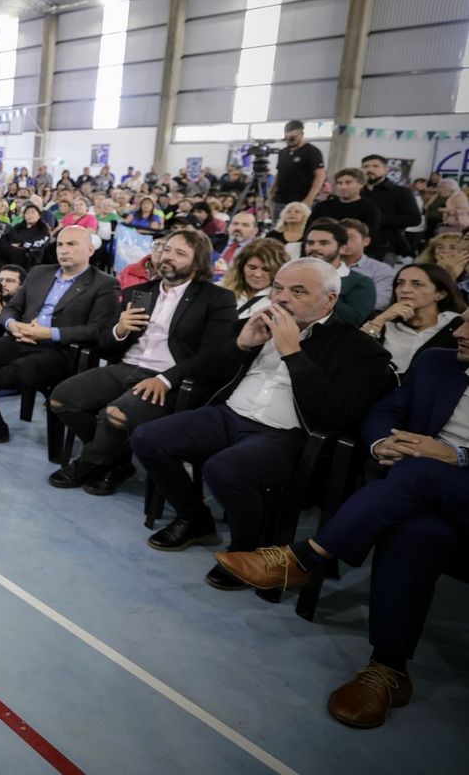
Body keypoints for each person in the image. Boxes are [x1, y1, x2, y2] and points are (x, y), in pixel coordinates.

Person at [213, 318, 469, 728]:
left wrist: (455, 456)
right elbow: (385, 410)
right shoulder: (439, 363)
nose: (458, 331)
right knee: (417, 532)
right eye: (463, 321)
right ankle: (389, 669)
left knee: (417, 474)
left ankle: (305, 557)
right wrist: (383, 442)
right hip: (416, 492)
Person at [131, 258, 397, 590]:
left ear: (329, 300)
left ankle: (246, 550)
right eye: (279, 289)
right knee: (147, 438)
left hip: (288, 435)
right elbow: (204, 374)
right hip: (228, 415)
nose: (283, 299)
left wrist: (293, 353)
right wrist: (241, 345)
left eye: (298, 291)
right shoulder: (256, 322)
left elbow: (338, 414)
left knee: (224, 469)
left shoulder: (360, 350)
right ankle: (195, 518)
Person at [47, 230, 237, 495]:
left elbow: (212, 356)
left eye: (180, 253)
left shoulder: (216, 298)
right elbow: (106, 343)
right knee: (61, 399)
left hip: (169, 378)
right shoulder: (139, 292)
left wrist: (166, 379)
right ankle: (117, 461)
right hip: (125, 366)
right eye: (167, 249)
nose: (168, 257)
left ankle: (89, 462)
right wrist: (120, 330)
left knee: (115, 415)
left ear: (197, 262)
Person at [0, 227, 120, 447]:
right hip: (21, 337)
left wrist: (49, 333)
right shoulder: (40, 272)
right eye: (60, 244)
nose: (63, 250)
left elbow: (97, 329)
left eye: (71, 244)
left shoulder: (104, 283)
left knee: (17, 371)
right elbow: (12, 308)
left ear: (89, 249)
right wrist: (13, 325)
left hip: (61, 349)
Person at [358, 263, 464, 373]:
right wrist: (380, 320)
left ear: (440, 294)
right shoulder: (382, 321)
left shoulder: (457, 325)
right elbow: (352, 354)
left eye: (417, 284)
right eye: (400, 283)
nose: (405, 289)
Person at [302, 219, 377, 327]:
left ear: (342, 248)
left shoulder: (361, 282)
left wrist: (317, 285)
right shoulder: (292, 275)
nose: (315, 248)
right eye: (310, 243)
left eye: (324, 243)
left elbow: (353, 320)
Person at [360, 155, 421, 260]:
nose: (370, 169)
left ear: (385, 170)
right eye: (366, 166)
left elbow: (414, 219)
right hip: (357, 246)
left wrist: (377, 218)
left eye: (375, 166)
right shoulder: (357, 192)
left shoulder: (401, 192)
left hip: (386, 247)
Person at [221, 237, 288, 323]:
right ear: (241, 266)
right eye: (252, 268)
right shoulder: (222, 290)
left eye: (266, 269)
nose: (257, 275)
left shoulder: (282, 301)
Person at [310, 168, 381, 244]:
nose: (343, 187)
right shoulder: (322, 206)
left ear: (361, 184)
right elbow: (309, 230)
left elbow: (368, 236)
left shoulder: (370, 209)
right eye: (339, 183)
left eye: (348, 183)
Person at [337, 218, 394, 310]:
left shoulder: (381, 269)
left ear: (366, 241)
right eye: (340, 238)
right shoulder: (325, 266)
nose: (345, 242)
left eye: (350, 237)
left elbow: (381, 302)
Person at [270, 120, 326, 212]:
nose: (290, 141)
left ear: (302, 134)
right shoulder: (283, 152)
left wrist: (309, 199)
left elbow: (320, 175)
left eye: (293, 138)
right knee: (277, 226)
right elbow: (280, 172)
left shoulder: (311, 152)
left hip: (300, 200)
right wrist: (271, 190)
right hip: (279, 200)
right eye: (287, 138)